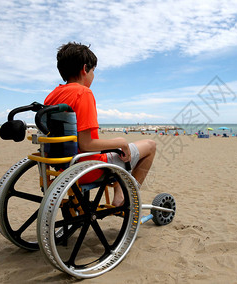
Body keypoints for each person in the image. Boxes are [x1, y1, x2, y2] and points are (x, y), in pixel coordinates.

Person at [44, 42, 156, 206]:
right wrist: (121, 142)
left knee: (116, 153)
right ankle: (129, 199)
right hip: (88, 169)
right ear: (84, 69)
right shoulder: (83, 93)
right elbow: (87, 144)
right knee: (150, 146)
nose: (93, 76)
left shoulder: (52, 97)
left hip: (63, 168)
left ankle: (119, 194)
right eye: (93, 71)